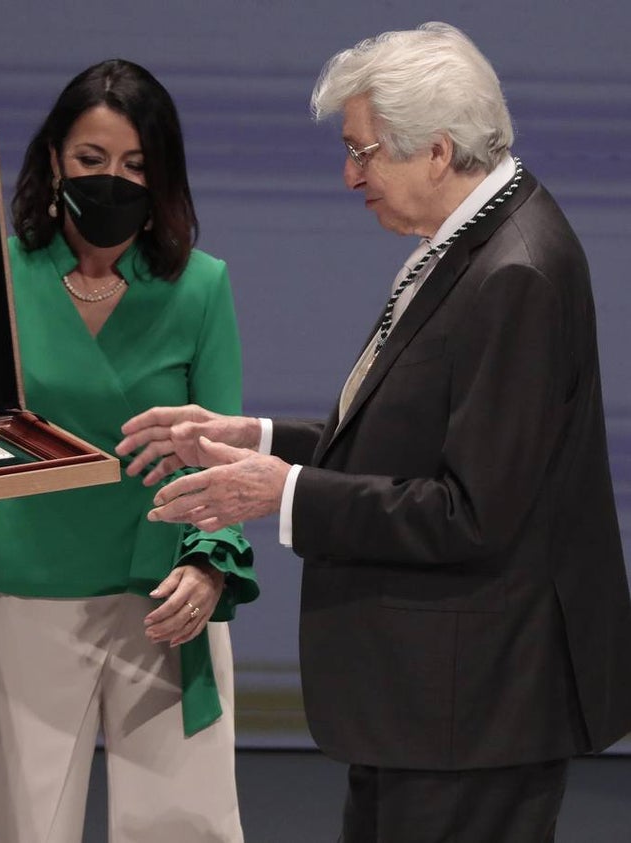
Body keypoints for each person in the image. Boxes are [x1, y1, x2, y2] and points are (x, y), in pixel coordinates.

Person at [117, 22, 631, 843]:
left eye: (365, 152)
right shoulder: (475, 239)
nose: (350, 174)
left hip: (473, 708)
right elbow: (411, 442)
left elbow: (469, 511)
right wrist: (258, 439)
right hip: (431, 702)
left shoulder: (517, 272)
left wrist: (277, 493)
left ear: (436, 150)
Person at [0, 59, 258, 842]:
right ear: (54, 158)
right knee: (14, 826)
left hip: (168, 600)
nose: (112, 179)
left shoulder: (201, 288)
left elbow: (229, 460)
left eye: (135, 165)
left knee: (181, 828)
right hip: (26, 593)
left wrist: (206, 563)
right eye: (92, 161)